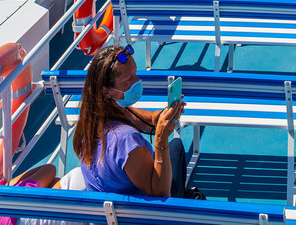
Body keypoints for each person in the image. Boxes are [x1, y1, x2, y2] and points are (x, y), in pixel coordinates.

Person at [71, 41, 200, 199]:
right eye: (129, 79)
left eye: (136, 74)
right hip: (144, 213)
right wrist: (160, 141)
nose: (137, 81)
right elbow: (160, 194)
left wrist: (167, 115)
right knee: (176, 147)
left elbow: (148, 119)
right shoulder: (126, 140)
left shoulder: (93, 119)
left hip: (110, 210)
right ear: (107, 92)